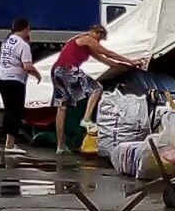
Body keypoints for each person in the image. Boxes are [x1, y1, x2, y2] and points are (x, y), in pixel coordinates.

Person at [52, 24, 144, 154]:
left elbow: (106, 60)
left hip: (57, 70)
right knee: (97, 88)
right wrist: (132, 61)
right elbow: (107, 53)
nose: (99, 41)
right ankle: (86, 119)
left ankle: (60, 146)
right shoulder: (87, 38)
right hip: (68, 69)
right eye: (99, 38)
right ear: (94, 32)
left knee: (62, 107)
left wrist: (127, 65)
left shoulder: (85, 45)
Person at [0, 18, 41, 155]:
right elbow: (27, 66)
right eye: (28, 29)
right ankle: (10, 144)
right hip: (15, 81)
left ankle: (7, 141)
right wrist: (37, 74)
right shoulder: (23, 45)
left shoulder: (7, 40)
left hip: (2, 78)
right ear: (25, 28)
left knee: (9, 109)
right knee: (15, 111)